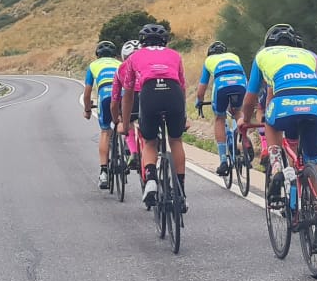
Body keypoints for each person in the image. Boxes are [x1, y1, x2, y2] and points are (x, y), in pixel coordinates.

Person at [248, 23, 317, 207]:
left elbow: (250, 98)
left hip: (284, 103)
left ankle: (276, 165)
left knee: (271, 121)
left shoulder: (263, 55)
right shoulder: (311, 56)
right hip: (316, 102)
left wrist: (245, 119)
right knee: (315, 162)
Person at [115, 25, 188, 212]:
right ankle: (180, 193)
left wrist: (124, 122)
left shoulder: (135, 57)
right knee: (176, 140)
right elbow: (182, 87)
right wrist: (183, 116)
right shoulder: (175, 55)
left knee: (149, 142)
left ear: (142, 42)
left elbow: (129, 94)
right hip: (173, 94)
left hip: (149, 94)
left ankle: (151, 180)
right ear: (165, 41)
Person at [195, 41, 249, 178]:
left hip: (222, 85)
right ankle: (245, 142)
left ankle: (224, 161)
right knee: (237, 111)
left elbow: (202, 88)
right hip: (240, 82)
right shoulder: (233, 56)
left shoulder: (209, 60)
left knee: (219, 118)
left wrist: (199, 101)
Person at [81, 39, 123, 189]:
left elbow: (87, 94)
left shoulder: (93, 66)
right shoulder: (120, 64)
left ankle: (104, 172)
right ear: (115, 55)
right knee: (125, 122)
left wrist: (87, 110)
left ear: (97, 55)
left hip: (105, 95)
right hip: (122, 95)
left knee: (105, 132)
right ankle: (130, 153)